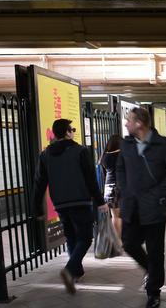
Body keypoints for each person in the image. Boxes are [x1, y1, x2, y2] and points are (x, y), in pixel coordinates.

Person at [32, 119, 109, 294]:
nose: (73, 131)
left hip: (60, 203)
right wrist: (100, 201)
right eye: (72, 129)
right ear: (67, 133)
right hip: (80, 201)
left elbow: (39, 183)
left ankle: (76, 272)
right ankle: (69, 270)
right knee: (85, 237)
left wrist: (37, 207)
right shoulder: (80, 151)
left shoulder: (45, 155)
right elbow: (91, 179)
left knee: (71, 236)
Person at [117, 107, 166, 308]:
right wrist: (124, 189)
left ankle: (153, 291)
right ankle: (150, 270)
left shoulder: (162, 144)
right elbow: (120, 168)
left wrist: (160, 191)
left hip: (155, 206)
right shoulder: (126, 145)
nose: (126, 123)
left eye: (128, 120)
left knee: (155, 251)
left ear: (139, 124)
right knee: (128, 243)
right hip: (132, 206)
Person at [100, 134, 123, 239]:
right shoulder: (122, 155)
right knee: (122, 216)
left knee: (115, 216)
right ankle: (121, 239)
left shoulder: (104, 157)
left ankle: (117, 241)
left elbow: (104, 173)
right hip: (120, 186)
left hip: (108, 187)